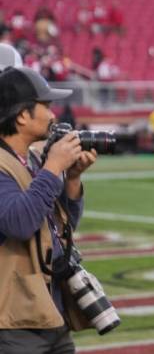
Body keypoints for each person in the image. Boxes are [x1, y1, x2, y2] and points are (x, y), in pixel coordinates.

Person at [0, 67, 98, 353]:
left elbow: (57, 233)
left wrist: (72, 180)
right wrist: (53, 167)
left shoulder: (28, 159)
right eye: (45, 105)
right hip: (13, 320)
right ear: (22, 115)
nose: (53, 114)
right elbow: (18, 223)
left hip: (48, 309)